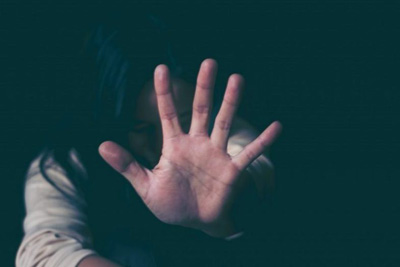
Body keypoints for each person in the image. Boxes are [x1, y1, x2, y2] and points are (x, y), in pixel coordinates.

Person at [16, 9, 282, 267]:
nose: (163, 146)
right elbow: (45, 250)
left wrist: (229, 207)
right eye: (141, 129)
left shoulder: (227, 135)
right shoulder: (65, 165)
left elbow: (256, 172)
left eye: (184, 121)